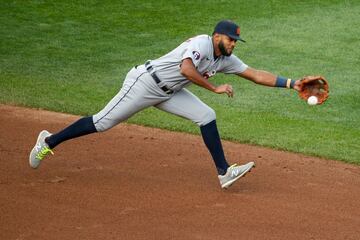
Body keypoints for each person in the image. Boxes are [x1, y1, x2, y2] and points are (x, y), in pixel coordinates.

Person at [29, 20, 302, 189]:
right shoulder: (202, 43)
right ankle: (49, 142)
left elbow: (255, 74)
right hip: (145, 83)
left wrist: (292, 83)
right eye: (231, 39)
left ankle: (224, 172)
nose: (234, 44)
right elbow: (186, 69)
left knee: (206, 115)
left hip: (170, 92)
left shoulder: (225, 60)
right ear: (218, 36)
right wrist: (215, 87)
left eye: (236, 41)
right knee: (102, 123)